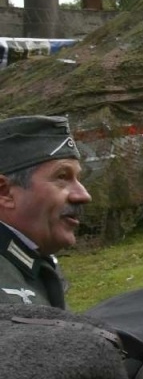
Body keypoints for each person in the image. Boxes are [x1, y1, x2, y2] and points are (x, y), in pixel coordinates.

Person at [0, 116, 90, 309]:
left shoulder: (30, 258)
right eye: (62, 177)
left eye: (78, 178)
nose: (83, 195)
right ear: (5, 192)